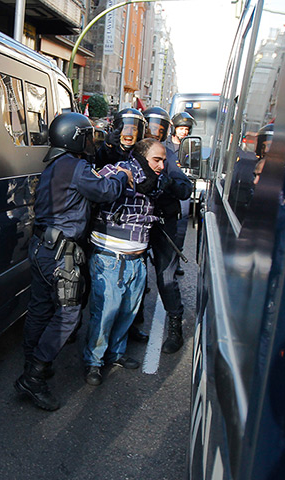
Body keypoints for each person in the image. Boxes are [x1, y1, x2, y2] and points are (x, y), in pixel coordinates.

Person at [16, 112, 132, 411]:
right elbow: (105, 191)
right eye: (88, 135)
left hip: (43, 246)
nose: (92, 141)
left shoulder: (56, 163)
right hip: (60, 253)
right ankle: (34, 376)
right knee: (68, 315)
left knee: (41, 309)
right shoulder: (75, 165)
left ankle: (33, 363)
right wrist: (122, 175)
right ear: (76, 137)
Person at [83, 138, 168, 386]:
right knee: (105, 312)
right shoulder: (114, 170)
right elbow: (95, 189)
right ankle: (94, 362)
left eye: (164, 160)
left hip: (137, 260)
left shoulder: (156, 181)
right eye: (157, 159)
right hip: (109, 259)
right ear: (142, 156)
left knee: (127, 312)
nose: (162, 165)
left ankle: (116, 354)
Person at [143, 108, 193, 354]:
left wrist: (169, 183)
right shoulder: (132, 155)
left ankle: (175, 328)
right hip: (136, 225)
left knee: (166, 276)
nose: (154, 132)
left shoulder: (167, 156)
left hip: (163, 223)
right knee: (134, 277)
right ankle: (131, 323)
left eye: (158, 128)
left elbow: (186, 189)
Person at [167, 111, 197, 276]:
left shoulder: (192, 146)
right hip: (166, 187)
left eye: (186, 129)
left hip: (181, 188)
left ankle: (176, 259)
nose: (184, 132)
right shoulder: (165, 145)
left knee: (182, 223)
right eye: (181, 128)